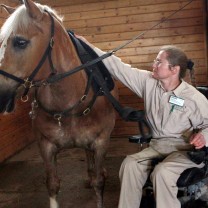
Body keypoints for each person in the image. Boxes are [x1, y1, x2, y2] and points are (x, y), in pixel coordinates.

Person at [77, 35, 208, 208]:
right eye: (155, 61)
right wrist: (87, 46)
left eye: (159, 62)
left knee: (162, 172)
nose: (153, 65)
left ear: (174, 69)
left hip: (184, 150)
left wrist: (204, 136)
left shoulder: (193, 97)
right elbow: (118, 67)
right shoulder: (148, 82)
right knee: (130, 164)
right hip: (157, 146)